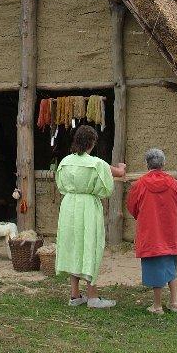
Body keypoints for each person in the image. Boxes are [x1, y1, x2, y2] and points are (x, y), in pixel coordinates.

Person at [55, 124, 126, 309]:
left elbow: (60, 184)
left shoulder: (65, 162)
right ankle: (92, 297)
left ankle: (75, 295)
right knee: (89, 247)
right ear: (92, 142)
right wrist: (121, 167)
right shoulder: (96, 163)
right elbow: (115, 178)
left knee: (74, 247)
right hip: (87, 207)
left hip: (69, 206)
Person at [126, 148, 177, 314]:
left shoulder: (139, 184)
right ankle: (174, 302)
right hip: (169, 230)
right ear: (163, 163)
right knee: (170, 263)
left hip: (150, 231)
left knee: (154, 266)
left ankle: (157, 306)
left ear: (146, 164)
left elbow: (132, 207)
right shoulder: (174, 183)